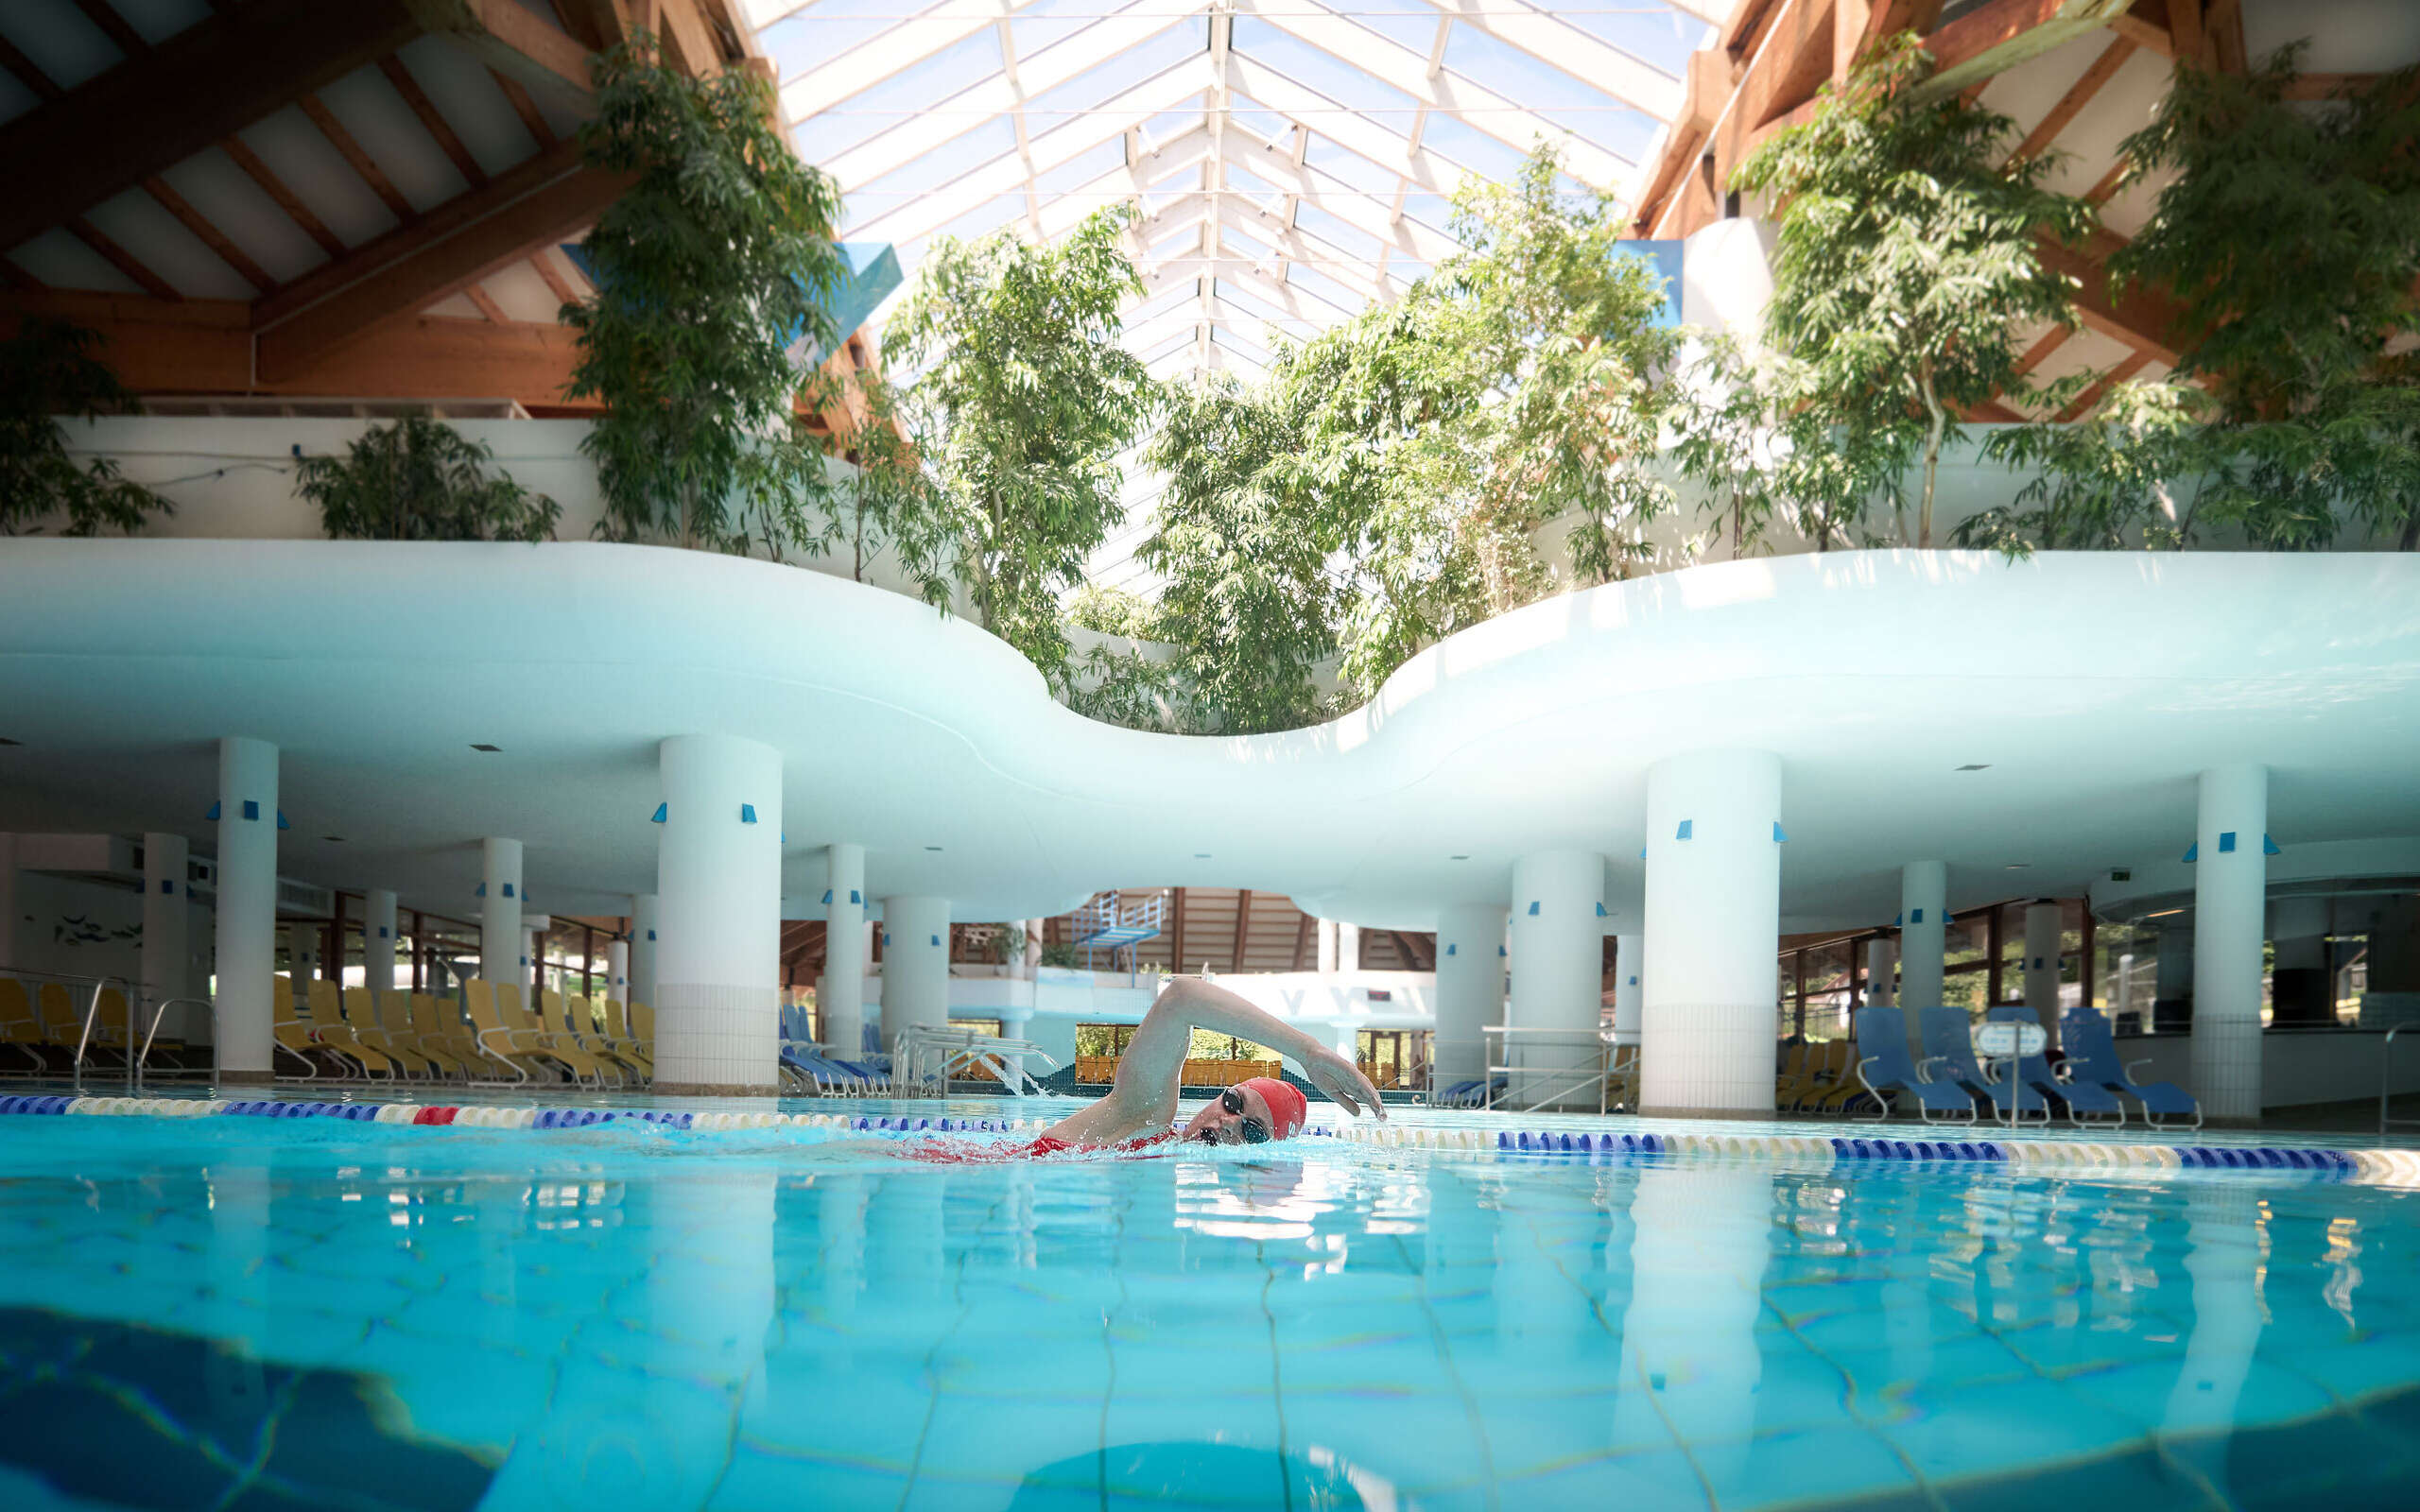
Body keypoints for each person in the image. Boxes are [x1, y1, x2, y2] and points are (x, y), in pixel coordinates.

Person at [914, 975, 1386, 1160]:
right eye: (1234, 1102)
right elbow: (1181, 998)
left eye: (1254, 1131)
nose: (1228, 1122)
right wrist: (1306, 1051)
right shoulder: (1143, 1116)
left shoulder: (1170, 1182)